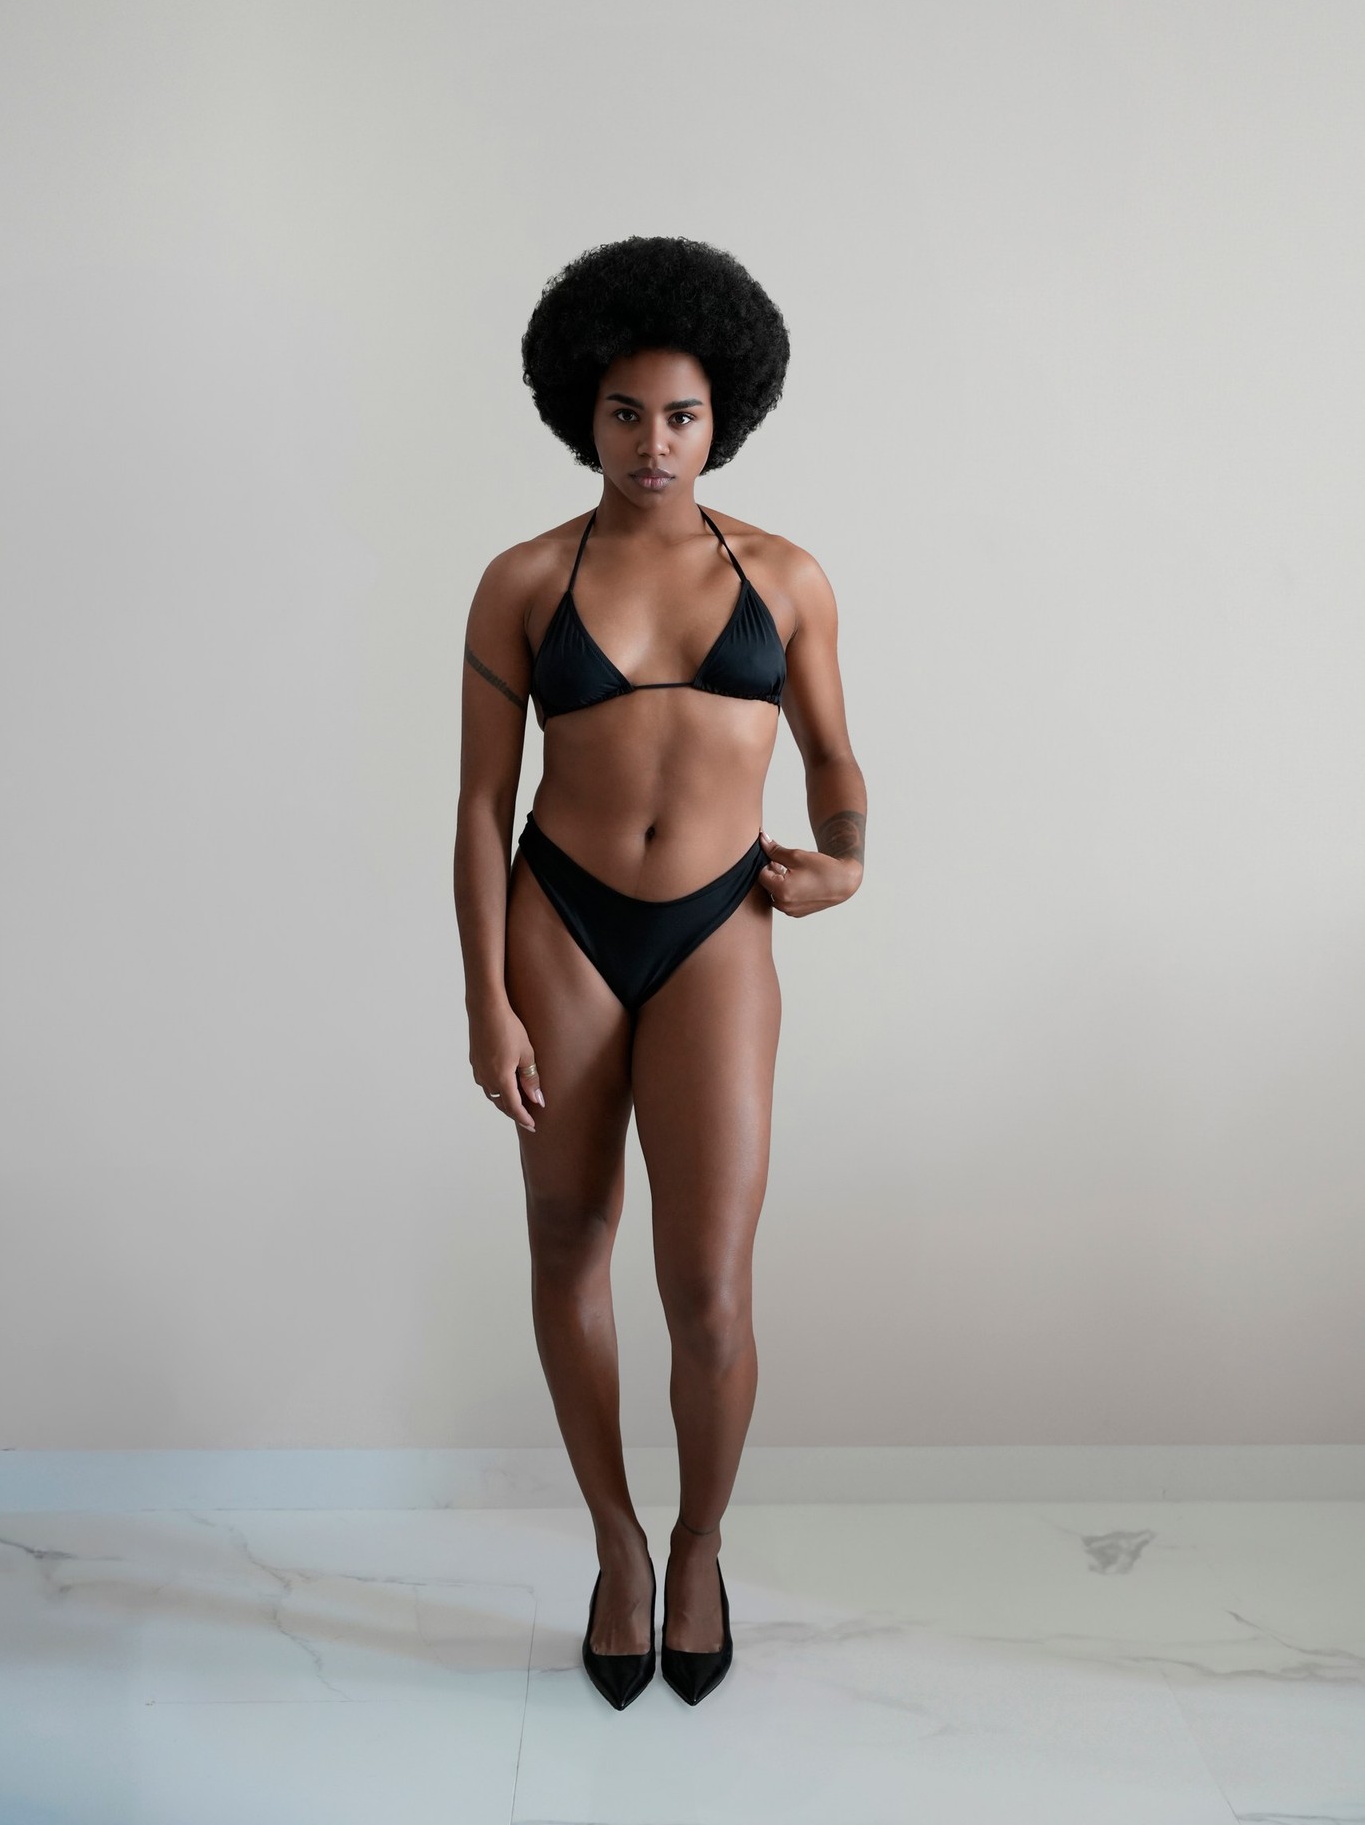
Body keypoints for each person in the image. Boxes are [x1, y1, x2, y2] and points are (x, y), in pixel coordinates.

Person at [453, 234, 867, 1708]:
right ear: (583, 409)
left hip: (717, 929)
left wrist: (846, 861)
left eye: (680, 415)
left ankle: (699, 1546)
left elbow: (833, 761)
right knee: (567, 1237)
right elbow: (479, 807)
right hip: (557, 923)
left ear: (721, 415)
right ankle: (617, 1549)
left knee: (707, 1288)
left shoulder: (785, 576)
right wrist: (485, 999)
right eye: (624, 412)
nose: (652, 443)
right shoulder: (521, 580)